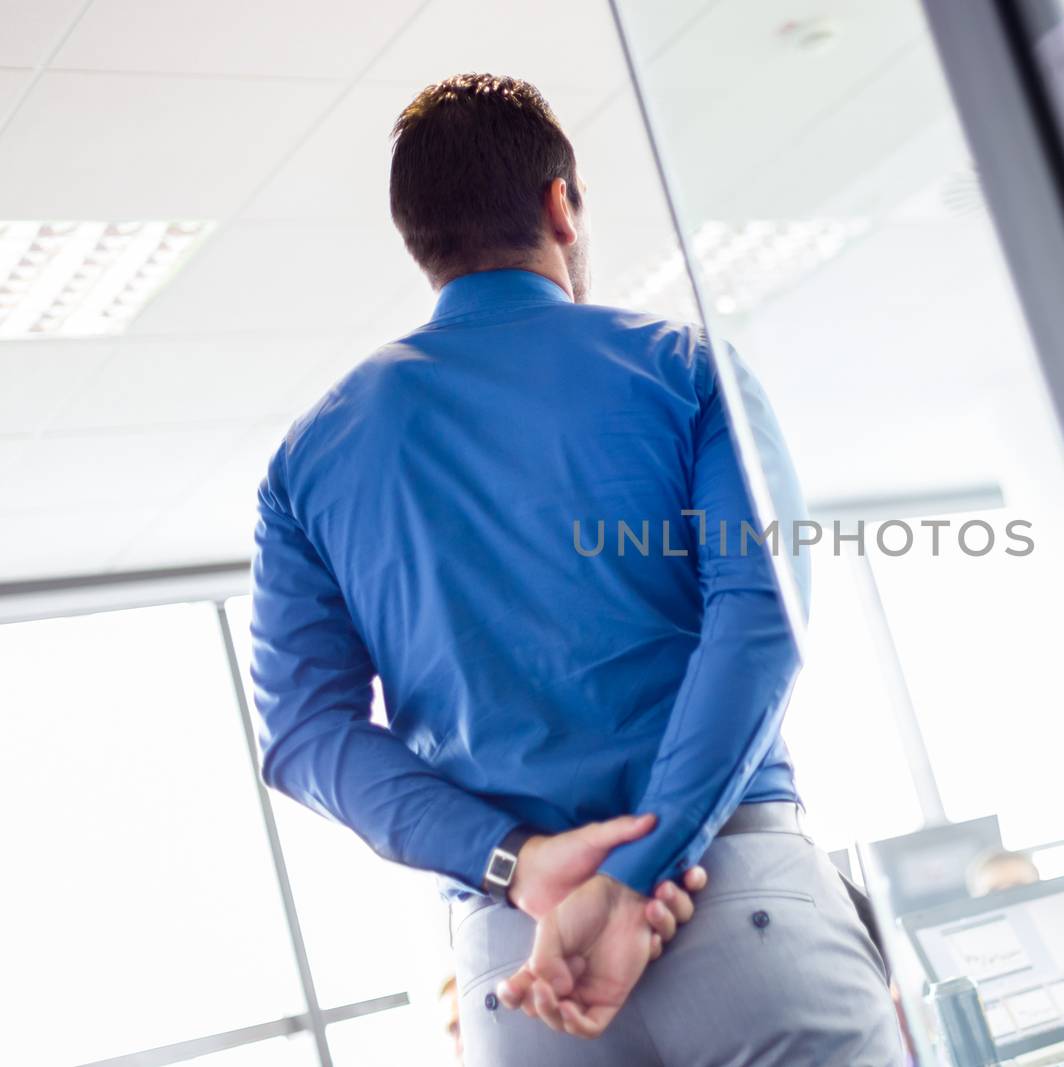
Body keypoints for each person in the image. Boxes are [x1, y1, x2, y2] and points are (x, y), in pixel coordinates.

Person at [248, 72, 901, 1066]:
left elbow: (307, 734)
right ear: (561, 203)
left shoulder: (305, 462)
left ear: (419, 242)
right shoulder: (684, 368)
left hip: (526, 967)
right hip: (732, 898)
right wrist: (638, 869)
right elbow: (759, 614)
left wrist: (518, 863)